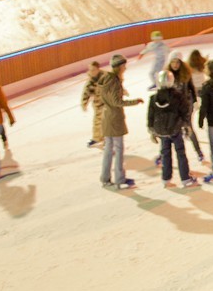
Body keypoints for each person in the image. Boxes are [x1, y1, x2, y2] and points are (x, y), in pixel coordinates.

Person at [147, 71, 198, 188]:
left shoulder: (154, 98)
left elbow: (151, 115)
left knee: (165, 154)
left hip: (162, 131)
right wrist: (186, 125)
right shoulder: (178, 96)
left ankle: (166, 178)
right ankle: (185, 178)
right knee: (180, 153)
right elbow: (184, 112)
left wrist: (152, 131)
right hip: (175, 129)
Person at [99, 53, 141, 189]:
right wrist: (135, 101)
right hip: (115, 118)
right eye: (124, 65)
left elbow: (109, 97)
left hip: (106, 117)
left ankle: (105, 178)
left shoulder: (106, 78)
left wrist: (121, 91)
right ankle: (119, 178)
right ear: (119, 66)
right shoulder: (114, 81)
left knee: (108, 149)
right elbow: (116, 102)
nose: (125, 68)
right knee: (118, 149)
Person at [166, 52, 204, 162]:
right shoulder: (167, 75)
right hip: (174, 107)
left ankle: (199, 152)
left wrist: (195, 101)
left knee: (189, 126)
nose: (175, 65)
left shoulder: (185, 74)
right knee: (170, 130)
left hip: (186, 105)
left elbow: (191, 87)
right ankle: (163, 154)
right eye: (173, 62)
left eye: (177, 62)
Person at [80, 59, 105, 147]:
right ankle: (97, 138)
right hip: (98, 104)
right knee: (97, 122)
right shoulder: (90, 81)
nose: (91, 72)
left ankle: (108, 138)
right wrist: (84, 103)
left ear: (98, 69)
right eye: (90, 70)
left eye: (93, 70)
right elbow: (86, 92)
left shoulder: (106, 77)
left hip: (108, 103)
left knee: (107, 121)